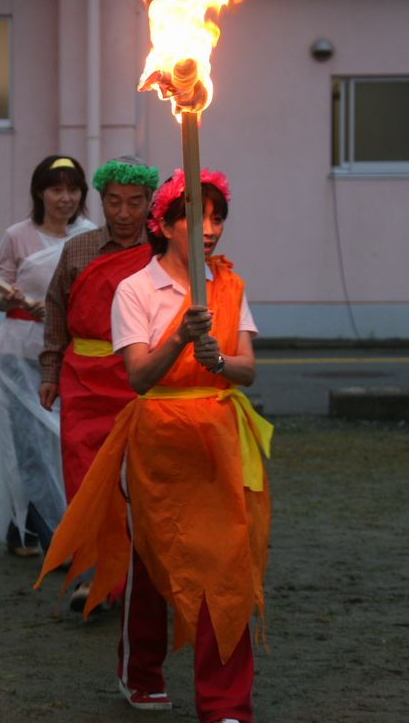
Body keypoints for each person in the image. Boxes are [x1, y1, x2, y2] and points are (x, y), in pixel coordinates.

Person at [37, 169, 272, 722]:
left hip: (220, 435)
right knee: (154, 562)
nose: (210, 229)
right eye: (196, 216)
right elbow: (140, 377)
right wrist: (183, 338)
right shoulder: (136, 288)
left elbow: (249, 370)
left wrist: (221, 363)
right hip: (158, 438)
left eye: (218, 218)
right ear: (164, 225)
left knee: (227, 566)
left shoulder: (230, 285)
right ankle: (140, 669)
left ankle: (226, 706)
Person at [37, 154, 157, 606]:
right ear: (101, 202)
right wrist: (50, 372)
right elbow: (56, 314)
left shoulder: (166, 251)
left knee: (143, 483)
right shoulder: (79, 249)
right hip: (83, 383)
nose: (124, 213)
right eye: (114, 202)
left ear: (150, 202)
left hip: (142, 380)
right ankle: (96, 576)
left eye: (135, 202)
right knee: (87, 482)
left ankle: (145, 577)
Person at [0, 155, 96, 557]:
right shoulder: (17, 236)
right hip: (19, 354)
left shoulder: (92, 237)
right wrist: (11, 298)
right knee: (29, 447)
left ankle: (31, 528)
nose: (65, 198)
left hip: (71, 355)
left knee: (66, 444)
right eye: (56, 189)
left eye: (73, 189)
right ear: (39, 193)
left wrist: (65, 312)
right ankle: (51, 536)